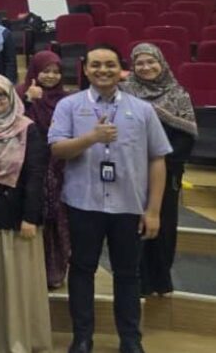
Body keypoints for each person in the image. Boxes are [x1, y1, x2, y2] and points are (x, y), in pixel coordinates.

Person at [48, 44, 171, 353]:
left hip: (128, 205)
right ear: (85, 69)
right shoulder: (69, 105)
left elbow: (157, 159)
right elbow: (57, 150)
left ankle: (130, 340)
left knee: (128, 274)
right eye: (96, 65)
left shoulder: (142, 110)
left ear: (121, 70)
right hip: (83, 204)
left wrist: (154, 210)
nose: (103, 70)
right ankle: (82, 338)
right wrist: (92, 138)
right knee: (82, 270)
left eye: (110, 65)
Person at [0, 75, 51, 353]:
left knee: (16, 286)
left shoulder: (28, 129)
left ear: (11, 97)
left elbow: (36, 176)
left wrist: (30, 217)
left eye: (0, 95)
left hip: (17, 222)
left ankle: (17, 340)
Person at [121, 43, 197, 297]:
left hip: (168, 170)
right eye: (139, 63)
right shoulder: (124, 92)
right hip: (130, 170)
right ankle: (137, 281)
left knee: (163, 225)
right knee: (132, 225)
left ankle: (160, 280)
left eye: (150, 61)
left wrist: (160, 162)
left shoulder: (178, 94)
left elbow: (186, 137)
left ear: (161, 63)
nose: (146, 67)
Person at [17, 50, 70, 289]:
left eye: (56, 72)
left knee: (58, 220)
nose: (50, 76)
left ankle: (54, 272)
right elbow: (12, 124)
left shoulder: (66, 100)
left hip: (60, 168)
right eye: (45, 71)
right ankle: (30, 275)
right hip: (28, 166)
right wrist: (29, 100)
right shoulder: (20, 93)